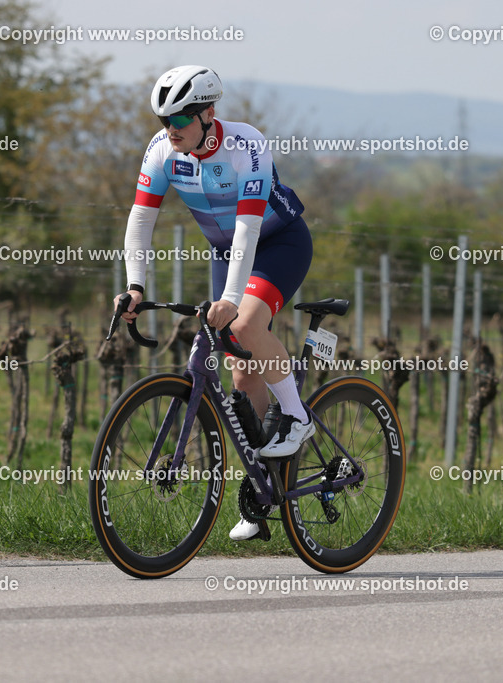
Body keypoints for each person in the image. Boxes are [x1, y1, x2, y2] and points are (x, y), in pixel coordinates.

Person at [114, 65, 313, 541]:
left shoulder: (246, 145)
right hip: (228, 255)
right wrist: (135, 286)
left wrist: (228, 299)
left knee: (244, 326)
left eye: (180, 120)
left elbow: (248, 228)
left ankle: (299, 419)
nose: (171, 130)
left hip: (277, 244)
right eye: (164, 121)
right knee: (241, 374)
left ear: (208, 113)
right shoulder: (163, 151)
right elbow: (140, 220)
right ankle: (262, 488)